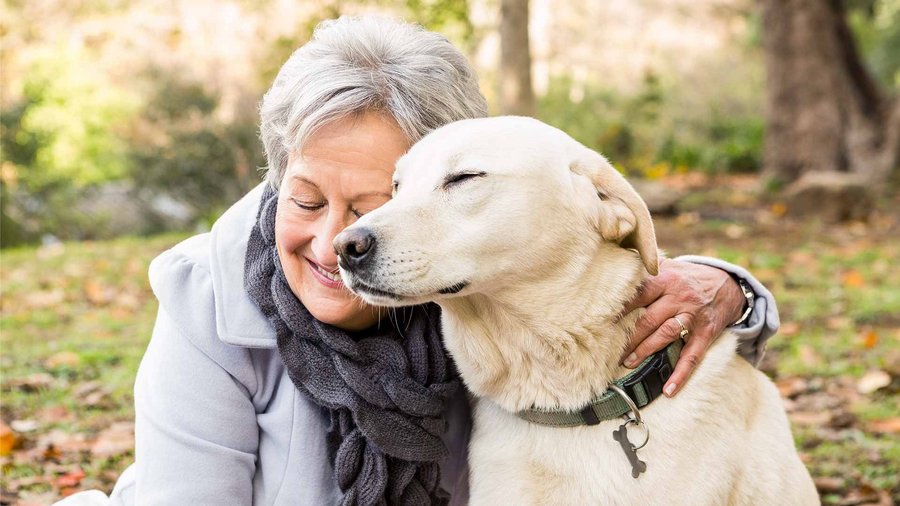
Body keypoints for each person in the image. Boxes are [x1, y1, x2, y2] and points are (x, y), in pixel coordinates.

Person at [59, 15, 778, 506]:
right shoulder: (206, 296)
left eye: (373, 204)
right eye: (304, 199)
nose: (337, 241)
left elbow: (571, 256)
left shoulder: (469, 285)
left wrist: (730, 288)